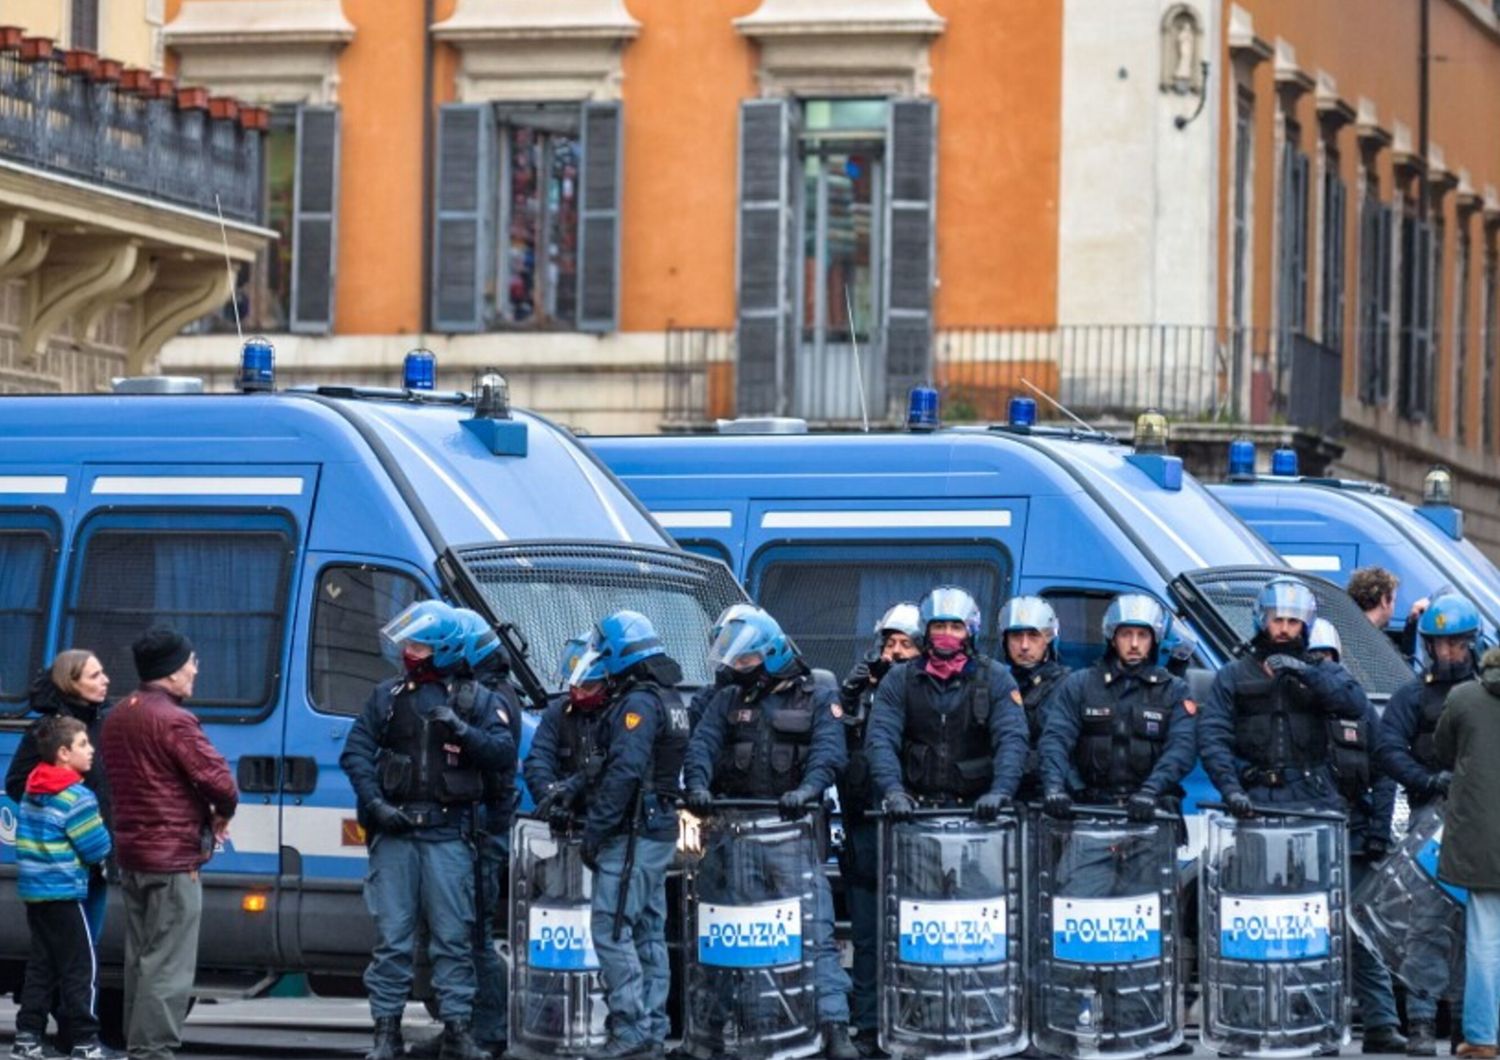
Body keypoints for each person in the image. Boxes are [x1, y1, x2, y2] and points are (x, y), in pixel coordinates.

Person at [340, 601, 515, 1060]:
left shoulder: (477, 701)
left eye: (418, 645)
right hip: (395, 834)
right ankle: (386, 1034)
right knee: (392, 940)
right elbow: (356, 752)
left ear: (442, 649)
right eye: (409, 644)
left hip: (449, 836)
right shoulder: (387, 696)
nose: (409, 652)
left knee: (453, 940)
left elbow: (502, 755)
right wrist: (376, 805)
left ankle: (459, 1032)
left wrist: (462, 730)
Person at [684, 606, 856, 1060]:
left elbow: (829, 753)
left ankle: (835, 1028)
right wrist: (698, 785)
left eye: (744, 661)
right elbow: (701, 745)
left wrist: (808, 789)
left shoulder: (816, 695)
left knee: (812, 934)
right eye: (733, 662)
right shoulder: (726, 700)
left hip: (791, 834)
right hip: (732, 834)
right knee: (728, 934)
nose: (736, 670)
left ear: (771, 653)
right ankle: (714, 1031)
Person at [100, 627, 238, 1060]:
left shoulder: (120, 713)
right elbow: (221, 783)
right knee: (169, 965)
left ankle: (138, 1044)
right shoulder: (174, 720)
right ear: (171, 671)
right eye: (190, 662)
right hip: (173, 858)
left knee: (141, 959)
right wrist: (221, 813)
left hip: (133, 854)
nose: (196, 669)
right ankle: (153, 1050)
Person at [572, 610, 692, 1060]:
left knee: (611, 927)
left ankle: (630, 1031)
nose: (599, 656)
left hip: (634, 833)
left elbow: (624, 771)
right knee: (647, 931)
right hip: (657, 831)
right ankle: (653, 1032)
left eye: (604, 648)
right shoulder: (669, 698)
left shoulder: (638, 704)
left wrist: (597, 830)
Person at [408, 610, 524, 1060]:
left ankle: (488, 1029)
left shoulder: (493, 695)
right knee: (455, 932)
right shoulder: (481, 689)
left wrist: (461, 731)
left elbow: (498, 754)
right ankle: (462, 1026)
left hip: (483, 828)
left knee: (473, 935)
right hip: (469, 826)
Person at [1378, 593, 1482, 1056]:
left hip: (1475, 819)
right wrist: (1425, 779)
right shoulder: (1413, 695)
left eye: (1454, 644)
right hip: (1427, 816)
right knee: (1426, 922)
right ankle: (1420, 1021)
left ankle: (1463, 1022)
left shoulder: (1484, 693)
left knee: (1469, 925)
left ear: (1470, 644)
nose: (1446, 653)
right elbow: (1387, 749)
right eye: (1438, 644)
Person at [1309, 620, 1407, 1055]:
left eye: (1327, 658)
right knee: (1308, 933)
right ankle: (1312, 1019)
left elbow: (1384, 768)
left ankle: (1382, 1023)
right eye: (1315, 660)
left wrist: (1378, 832)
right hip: (1305, 836)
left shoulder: (1359, 706)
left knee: (1364, 934)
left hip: (1353, 833)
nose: (1323, 668)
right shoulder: (1291, 707)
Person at [1199, 576, 1371, 816]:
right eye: (1277, 619)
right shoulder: (1234, 674)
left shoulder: (1322, 670)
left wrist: (1304, 672)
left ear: (1305, 625)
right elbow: (1213, 736)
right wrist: (1231, 790)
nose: (1284, 629)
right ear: (1262, 620)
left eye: (1293, 621)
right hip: (1254, 798)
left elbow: (1355, 705)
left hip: (1314, 798)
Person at [835, 602, 921, 1058]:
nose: (895, 653)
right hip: (863, 826)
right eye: (890, 644)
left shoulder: (927, 693)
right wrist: (848, 698)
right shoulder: (860, 689)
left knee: (912, 933)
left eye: (906, 644)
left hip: (910, 828)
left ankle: (912, 1019)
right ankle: (867, 1025)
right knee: (867, 934)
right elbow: (835, 742)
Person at [865, 586, 1028, 820]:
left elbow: (1012, 738)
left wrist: (1001, 791)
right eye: (939, 626)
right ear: (926, 630)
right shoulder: (899, 679)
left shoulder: (995, 677)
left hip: (978, 812)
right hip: (913, 811)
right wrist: (893, 791)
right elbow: (880, 738)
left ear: (970, 632)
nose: (947, 634)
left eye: (956, 627)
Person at [12, 715, 118, 1060]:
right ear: (63, 753)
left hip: (35, 892)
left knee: (41, 966)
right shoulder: (78, 797)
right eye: (83, 745)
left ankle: (27, 1035)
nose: (91, 750)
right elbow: (96, 847)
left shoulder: (32, 789)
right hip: (66, 893)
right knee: (80, 967)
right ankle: (85, 1040)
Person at [1037, 593, 1196, 823]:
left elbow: (1182, 748)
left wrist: (1151, 791)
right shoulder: (1080, 684)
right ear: (1112, 637)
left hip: (1152, 813)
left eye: (1142, 635)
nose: (1133, 644)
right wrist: (1054, 787)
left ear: (1154, 639)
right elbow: (1056, 739)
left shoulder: (1174, 690)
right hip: (1091, 815)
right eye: (1125, 634)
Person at [6, 651, 112, 943]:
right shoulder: (47, 729)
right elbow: (17, 783)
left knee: (86, 947)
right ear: (71, 683)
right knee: (64, 957)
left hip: (95, 861)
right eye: (95, 675)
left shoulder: (106, 721)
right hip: (60, 864)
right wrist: (67, 809)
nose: (106, 680)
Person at [1433, 646, 1500, 1059]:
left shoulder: (1462, 697)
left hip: (1481, 839)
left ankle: (1481, 1037)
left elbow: (1443, 751)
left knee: (1483, 942)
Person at [997, 596, 1070, 802]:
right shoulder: (994, 682)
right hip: (999, 797)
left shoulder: (1066, 686)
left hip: (1048, 797)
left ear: (1048, 640)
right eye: (1017, 636)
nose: (1025, 646)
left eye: (1033, 636)